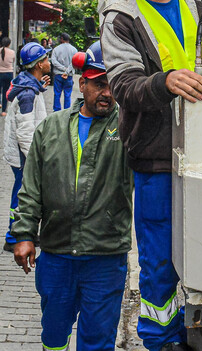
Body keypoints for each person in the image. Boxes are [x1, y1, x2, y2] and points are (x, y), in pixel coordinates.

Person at [100, 0, 202, 351]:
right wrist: (165, 82)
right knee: (160, 258)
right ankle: (160, 337)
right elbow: (124, 85)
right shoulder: (121, 17)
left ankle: (195, 326)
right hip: (156, 158)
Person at [12, 41, 132, 351]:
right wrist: (24, 234)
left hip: (104, 257)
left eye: (113, 84)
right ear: (83, 83)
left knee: (97, 340)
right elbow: (31, 188)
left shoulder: (128, 128)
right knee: (53, 335)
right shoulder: (50, 128)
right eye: (99, 84)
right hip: (56, 254)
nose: (107, 92)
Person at [2, 42, 50, 253]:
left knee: (21, 193)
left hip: (22, 154)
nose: (49, 62)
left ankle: (20, 232)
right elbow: (25, 131)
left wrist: (41, 86)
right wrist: (34, 159)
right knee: (21, 195)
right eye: (46, 59)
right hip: (24, 156)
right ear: (39, 64)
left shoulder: (29, 85)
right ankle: (13, 236)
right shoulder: (27, 94)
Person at [51, 32, 78, 111]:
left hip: (58, 74)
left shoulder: (56, 49)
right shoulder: (74, 50)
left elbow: (53, 61)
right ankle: (67, 111)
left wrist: (63, 69)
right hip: (69, 75)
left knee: (57, 93)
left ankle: (56, 110)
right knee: (67, 94)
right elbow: (75, 62)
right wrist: (67, 71)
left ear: (62, 39)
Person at [0, 36, 15, 116]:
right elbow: (13, 61)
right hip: (9, 73)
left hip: (0, 73)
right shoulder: (12, 52)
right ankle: (3, 111)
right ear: (9, 44)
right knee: (5, 91)